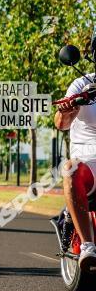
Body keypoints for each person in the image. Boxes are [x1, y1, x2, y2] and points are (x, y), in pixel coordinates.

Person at [55, 66, 96, 267]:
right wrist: (66, 112)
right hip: (89, 162)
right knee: (70, 169)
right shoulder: (82, 84)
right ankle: (88, 245)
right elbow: (61, 124)